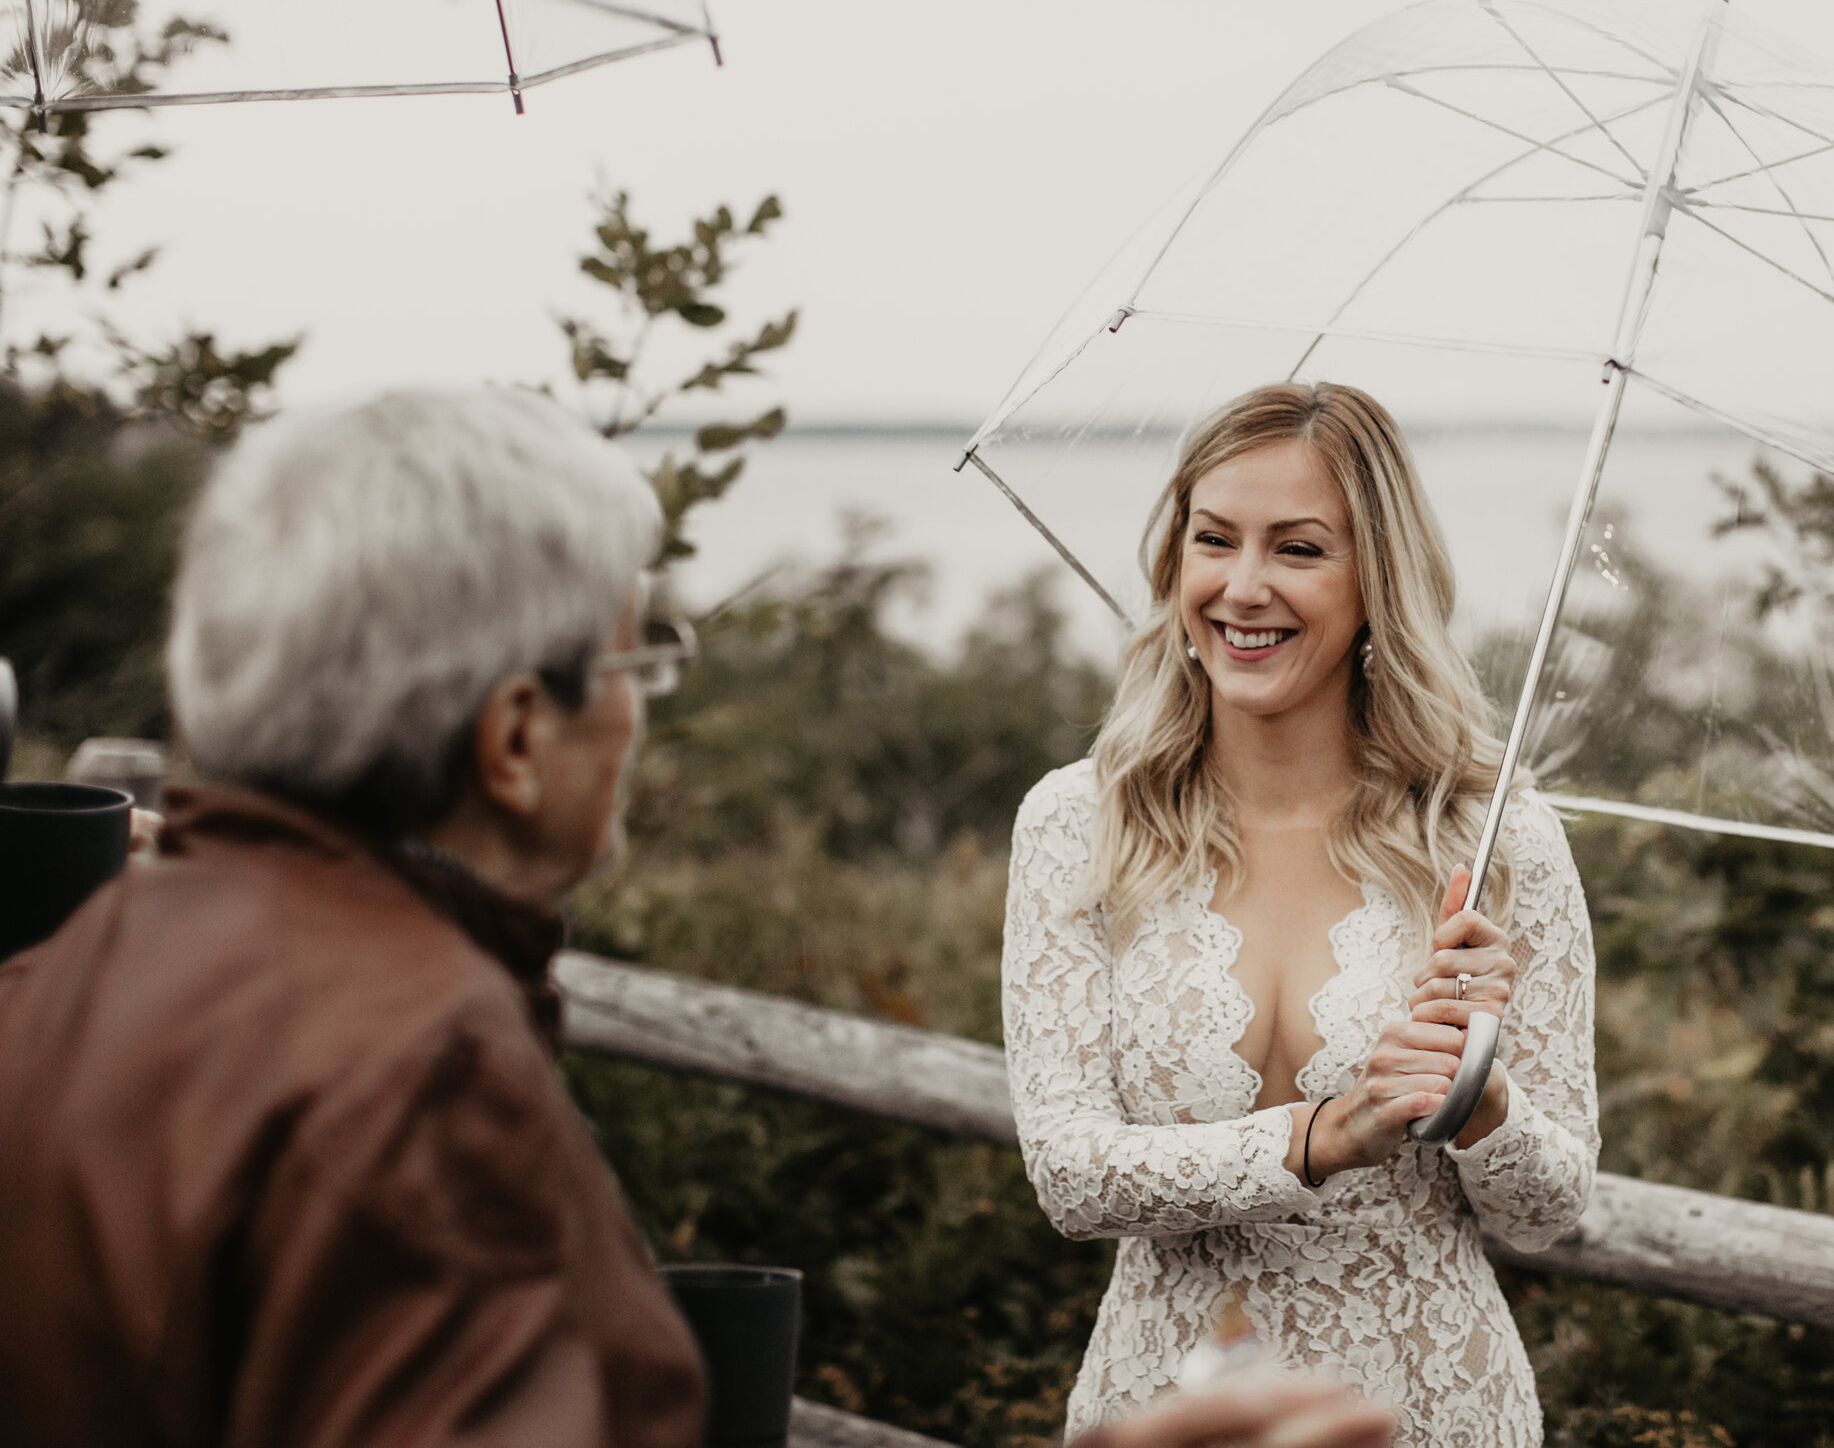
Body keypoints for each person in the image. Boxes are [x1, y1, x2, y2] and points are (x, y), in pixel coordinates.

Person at [0, 384, 1395, 1448]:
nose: (640, 715)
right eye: (635, 658)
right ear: (514, 735)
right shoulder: (413, 1084)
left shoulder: (72, 970)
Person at [1003, 383, 1600, 1446]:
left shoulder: (1494, 838)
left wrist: (1478, 1093)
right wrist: (1324, 1133)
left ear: (1377, 576)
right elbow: (1069, 1175)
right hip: (1165, 1406)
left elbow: (1547, 1209)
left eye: (1299, 549)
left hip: (1426, 1408)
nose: (1242, 586)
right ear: (1173, 558)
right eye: (1213, 539)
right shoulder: (1078, 822)